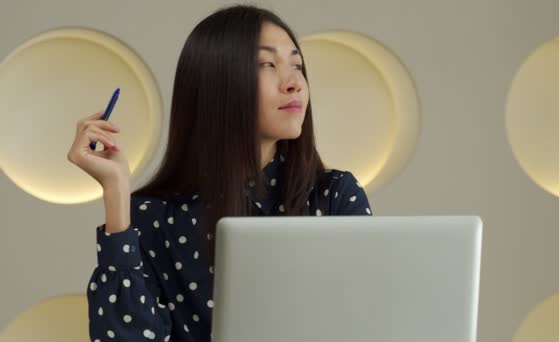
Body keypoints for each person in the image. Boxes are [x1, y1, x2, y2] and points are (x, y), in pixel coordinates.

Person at [67, 4, 372, 342]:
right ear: (217, 83)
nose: (294, 83)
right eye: (268, 64)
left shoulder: (334, 197)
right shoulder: (151, 216)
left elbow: (370, 321)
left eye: (297, 65)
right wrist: (116, 195)